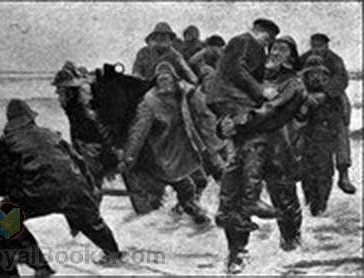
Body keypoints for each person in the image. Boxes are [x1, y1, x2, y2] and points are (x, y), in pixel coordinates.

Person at [0, 99, 123, 265]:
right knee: (92, 222)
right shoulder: (52, 134)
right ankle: (113, 253)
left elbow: (5, 177)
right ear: (30, 117)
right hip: (75, 189)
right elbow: (80, 162)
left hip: (39, 193)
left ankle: (25, 255)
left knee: (3, 213)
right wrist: (90, 188)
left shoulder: (5, 142)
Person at [205, 18, 282, 273]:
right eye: (268, 41)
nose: (269, 47)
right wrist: (261, 93)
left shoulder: (289, 82)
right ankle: (237, 252)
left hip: (261, 154)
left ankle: (240, 252)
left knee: (239, 166)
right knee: (238, 168)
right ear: (260, 32)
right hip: (236, 109)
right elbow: (237, 72)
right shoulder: (243, 41)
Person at [120, 61, 226, 228]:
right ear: (156, 82)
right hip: (165, 150)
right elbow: (138, 131)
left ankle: (184, 207)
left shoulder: (185, 91)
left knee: (201, 179)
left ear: (175, 79)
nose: (165, 84)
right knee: (186, 185)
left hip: (186, 145)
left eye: (168, 79)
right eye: (161, 80)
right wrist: (129, 156)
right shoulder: (149, 101)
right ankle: (192, 209)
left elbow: (203, 107)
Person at [0, 97, 55, 277]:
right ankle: (9, 274)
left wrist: (16, 178)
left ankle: (40, 266)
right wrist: (5, 186)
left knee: (7, 217)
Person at [260, 36, 306, 251]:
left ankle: (291, 242)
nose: (276, 52)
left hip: (283, 147)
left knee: (284, 196)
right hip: (257, 145)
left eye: (282, 49)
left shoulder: (293, 82)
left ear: (291, 56)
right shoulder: (260, 78)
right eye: (274, 48)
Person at [300, 33, 355, 195]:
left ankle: (344, 174)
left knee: (341, 133)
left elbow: (342, 79)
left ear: (326, 46)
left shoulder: (335, 60)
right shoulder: (304, 58)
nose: (316, 49)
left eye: (320, 46)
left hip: (334, 101)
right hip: (308, 100)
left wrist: (325, 93)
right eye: (314, 45)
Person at [132, 22, 198, 85]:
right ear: (155, 38)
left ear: (170, 39)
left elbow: (190, 76)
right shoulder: (144, 52)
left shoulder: (176, 55)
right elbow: (136, 72)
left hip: (171, 89)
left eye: (166, 36)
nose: (162, 38)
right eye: (159, 35)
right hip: (150, 88)